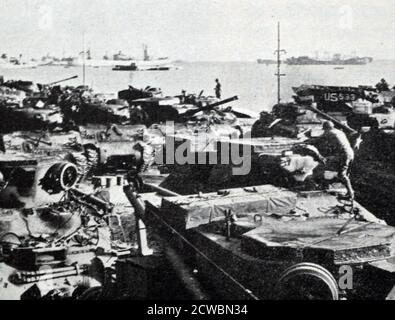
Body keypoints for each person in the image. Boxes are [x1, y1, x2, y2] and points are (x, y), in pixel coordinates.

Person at [316, 121, 355, 200]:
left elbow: (319, 140)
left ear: (326, 128)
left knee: (341, 174)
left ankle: (350, 194)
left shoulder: (329, 133)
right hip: (350, 153)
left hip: (344, 155)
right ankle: (346, 190)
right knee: (345, 173)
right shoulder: (339, 131)